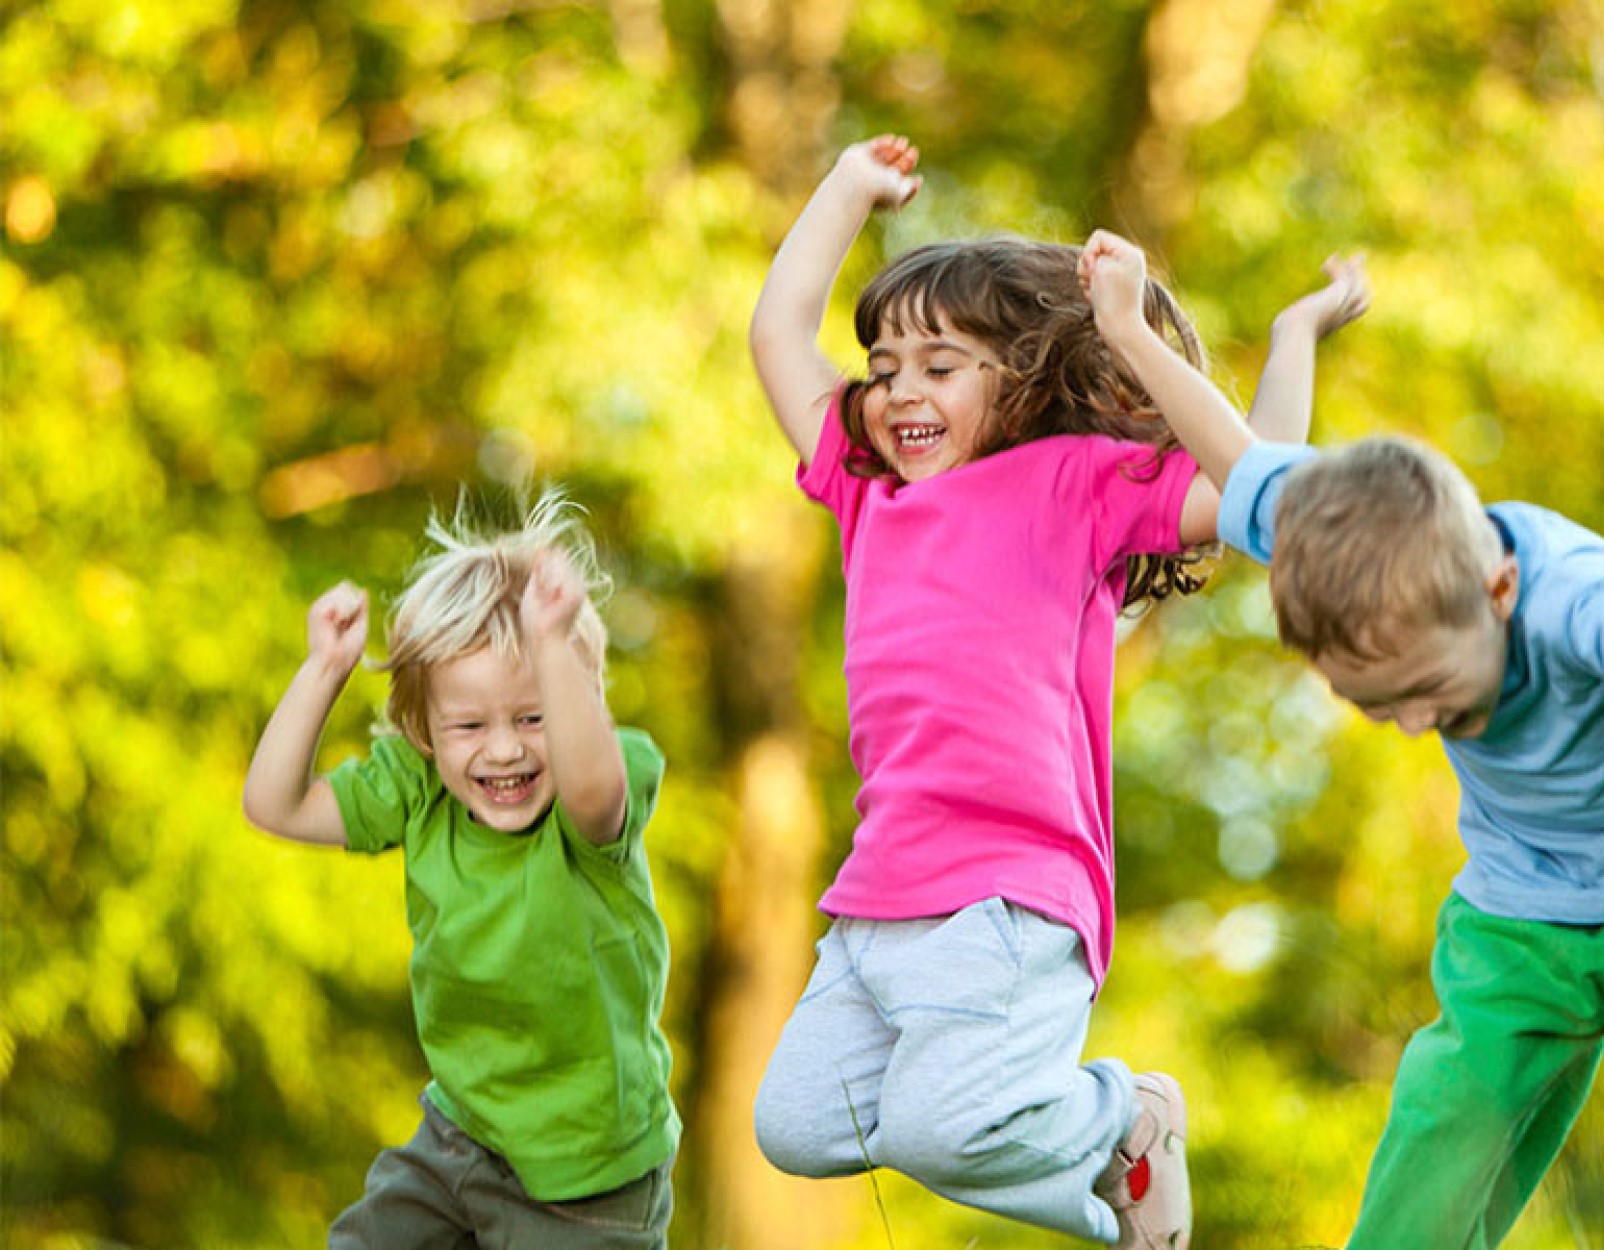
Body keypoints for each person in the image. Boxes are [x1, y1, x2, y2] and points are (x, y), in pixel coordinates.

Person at [1087, 236, 1604, 1248]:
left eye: (1428, 694)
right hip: (1530, 899)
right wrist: (1143, 327)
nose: (1410, 723)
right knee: (1445, 1127)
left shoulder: (1569, 595)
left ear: (1500, 591)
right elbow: (1240, 459)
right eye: (1373, 704)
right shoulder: (1350, 550)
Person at [745, 134, 1367, 1249]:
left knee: (941, 1130)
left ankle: (1124, 1119)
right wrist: (844, 188)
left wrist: (1168, 333)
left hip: (1009, 892)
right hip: (878, 895)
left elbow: (1261, 479)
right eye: (884, 366)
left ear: (1021, 379)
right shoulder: (866, 488)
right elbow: (779, 334)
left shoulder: (1071, 484)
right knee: (796, 1125)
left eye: (940, 365)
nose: (900, 390)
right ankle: (1097, 1142)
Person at [243, 491, 678, 1248]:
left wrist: (551, 644)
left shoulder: (593, 800)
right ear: (423, 731)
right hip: (459, 1138)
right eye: (470, 725)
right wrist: (325, 669)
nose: (504, 750)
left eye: (533, 717)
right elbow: (273, 805)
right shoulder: (417, 790)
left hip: (591, 1173)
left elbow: (592, 789)